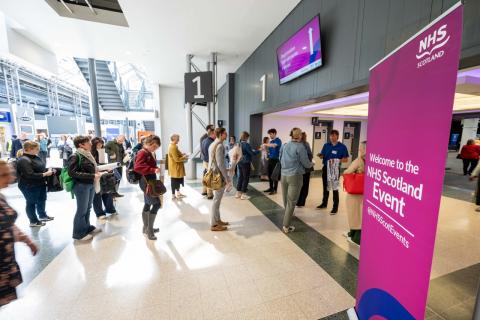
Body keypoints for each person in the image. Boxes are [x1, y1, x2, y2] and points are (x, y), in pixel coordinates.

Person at [0, 159, 38, 307]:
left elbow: (8, 224)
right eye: (4, 175)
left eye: (9, 174)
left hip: (5, 261)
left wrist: (27, 240)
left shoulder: (1, 198)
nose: (10, 178)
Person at [68, 136, 102, 241]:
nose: (91, 144)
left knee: (88, 208)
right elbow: (72, 172)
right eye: (88, 142)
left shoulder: (87, 154)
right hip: (81, 186)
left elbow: (90, 168)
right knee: (81, 210)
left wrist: (97, 173)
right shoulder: (75, 156)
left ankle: (86, 228)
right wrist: (92, 176)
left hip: (90, 184)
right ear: (81, 145)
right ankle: (78, 234)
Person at [279, 128, 313, 233]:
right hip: (295, 176)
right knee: (291, 202)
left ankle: (287, 217)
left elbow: (280, 159)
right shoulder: (300, 147)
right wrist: (313, 163)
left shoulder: (285, 145)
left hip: (283, 175)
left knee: (286, 200)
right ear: (300, 136)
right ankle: (286, 226)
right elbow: (306, 163)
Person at [16, 141, 54, 227]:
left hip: (39, 183)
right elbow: (29, 175)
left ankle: (42, 215)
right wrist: (45, 174)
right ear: (29, 149)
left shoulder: (35, 157)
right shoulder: (23, 160)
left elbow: (40, 168)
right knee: (31, 203)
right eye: (37, 149)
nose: (39, 150)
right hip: (29, 185)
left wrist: (48, 171)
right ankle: (33, 221)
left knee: (42, 200)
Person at [134, 135, 162, 240]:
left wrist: (154, 168)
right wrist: (152, 169)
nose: (155, 148)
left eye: (156, 147)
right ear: (148, 143)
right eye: (154, 146)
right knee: (157, 204)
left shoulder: (147, 152)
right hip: (146, 182)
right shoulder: (143, 152)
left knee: (147, 204)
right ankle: (149, 230)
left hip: (148, 180)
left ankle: (146, 227)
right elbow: (137, 167)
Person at [317, 130, 349, 214]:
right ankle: (324, 203)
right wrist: (321, 156)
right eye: (331, 136)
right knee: (325, 187)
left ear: (337, 136)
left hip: (334, 169)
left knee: (334, 188)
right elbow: (323, 155)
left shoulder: (342, 147)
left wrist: (337, 160)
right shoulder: (326, 145)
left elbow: (345, 159)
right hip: (325, 168)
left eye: (334, 136)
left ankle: (335, 207)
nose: (332, 137)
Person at [208, 127, 232, 231]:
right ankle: (214, 224)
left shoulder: (213, 144)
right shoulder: (220, 146)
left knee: (217, 200)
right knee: (216, 200)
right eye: (225, 134)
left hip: (213, 173)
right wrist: (227, 178)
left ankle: (217, 220)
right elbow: (220, 164)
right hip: (218, 176)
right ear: (221, 134)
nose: (226, 135)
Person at [343, 141, 366, 245]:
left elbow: (347, 172)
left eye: (361, 148)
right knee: (359, 214)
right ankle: (352, 233)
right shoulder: (374, 160)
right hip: (364, 192)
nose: (359, 149)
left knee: (354, 214)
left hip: (355, 193)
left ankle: (356, 238)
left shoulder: (359, 161)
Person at [91, 137, 117, 221]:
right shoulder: (90, 153)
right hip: (95, 176)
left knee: (107, 192)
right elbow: (93, 166)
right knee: (97, 195)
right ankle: (100, 213)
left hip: (103, 174)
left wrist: (107, 167)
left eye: (101, 144)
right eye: (98, 144)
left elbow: (101, 163)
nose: (100, 145)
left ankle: (110, 209)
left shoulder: (101, 151)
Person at [235, 131, 259, 200]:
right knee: (246, 178)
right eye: (248, 137)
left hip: (239, 162)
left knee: (240, 177)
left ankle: (238, 193)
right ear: (246, 137)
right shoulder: (246, 144)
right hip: (246, 163)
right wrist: (258, 150)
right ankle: (243, 194)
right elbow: (251, 153)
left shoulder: (238, 143)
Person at [168, 134, 188, 200]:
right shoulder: (173, 147)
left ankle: (178, 193)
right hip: (175, 167)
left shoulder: (174, 146)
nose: (179, 140)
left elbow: (178, 154)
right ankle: (173, 195)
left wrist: (182, 155)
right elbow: (176, 159)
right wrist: (184, 157)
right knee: (174, 181)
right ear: (174, 139)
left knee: (177, 180)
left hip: (175, 167)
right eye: (178, 139)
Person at [297, 132, 314, 207]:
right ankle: (300, 201)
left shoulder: (305, 144)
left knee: (304, 185)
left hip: (305, 168)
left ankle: (301, 201)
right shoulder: (300, 144)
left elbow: (310, 155)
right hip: (302, 169)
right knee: (302, 185)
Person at [263, 128, 282, 195]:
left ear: (274, 133)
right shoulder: (270, 142)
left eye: (271, 134)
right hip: (270, 159)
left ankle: (275, 189)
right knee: (269, 174)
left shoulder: (278, 140)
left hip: (276, 160)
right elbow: (269, 151)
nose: (270, 136)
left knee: (275, 175)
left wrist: (265, 144)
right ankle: (271, 188)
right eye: (269, 134)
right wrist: (265, 150)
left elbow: (274, 146)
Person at [201, 126, 216, 199]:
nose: (216, 135)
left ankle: (204, 191)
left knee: (205, 176)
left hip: (204, 160)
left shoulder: (204, 140)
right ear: (212, 134)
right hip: (209, 162)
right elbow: (213, 154)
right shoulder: (212, 142)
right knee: (209, 177)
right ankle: (209, 194)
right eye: (215, 134)